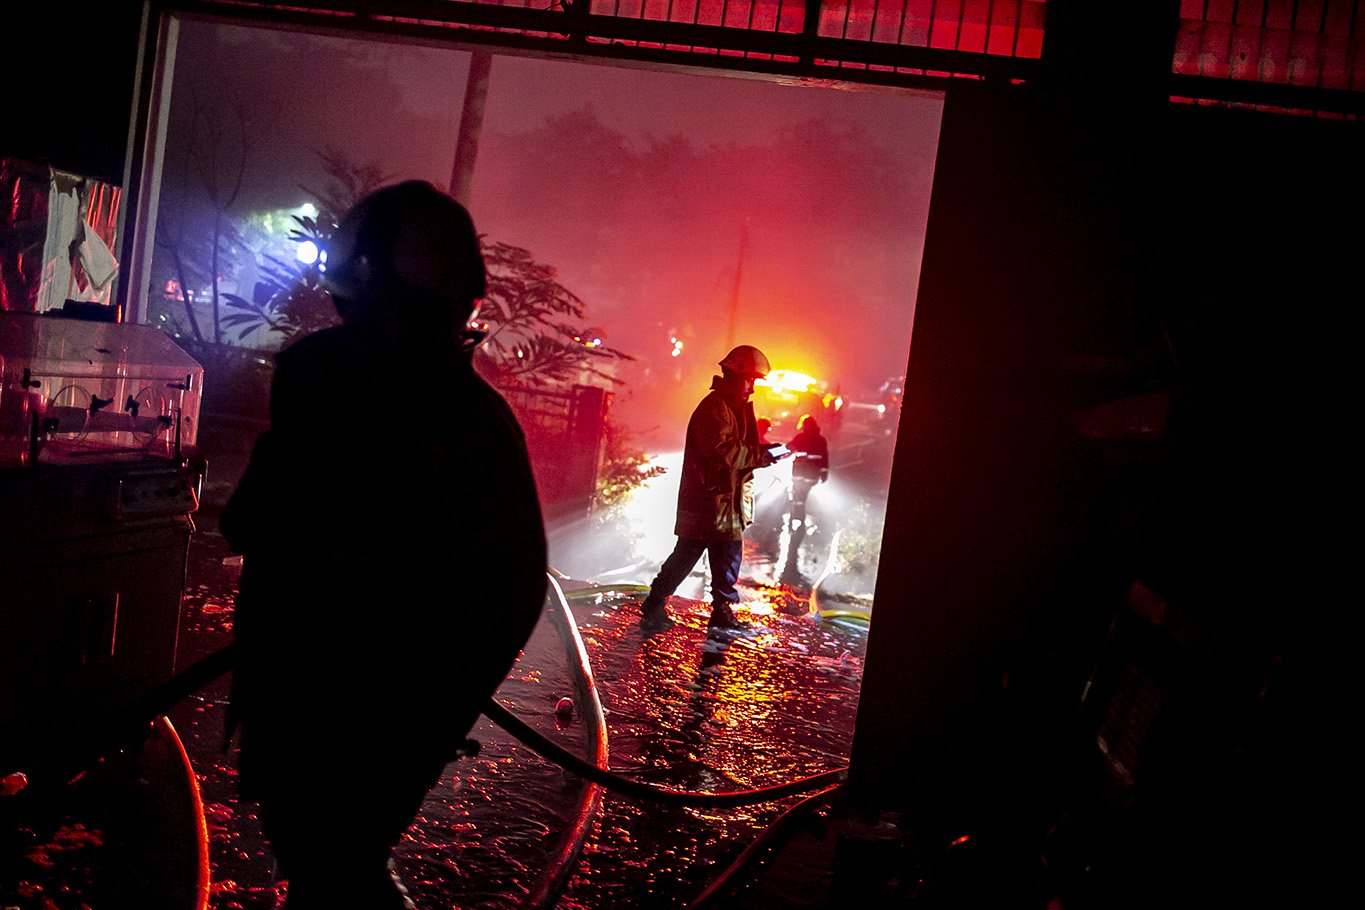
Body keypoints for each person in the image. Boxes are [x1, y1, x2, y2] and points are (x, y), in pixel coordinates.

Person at [219, 181, 547, 910]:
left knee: (329, 863)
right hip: (409, 705)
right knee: (343, 859)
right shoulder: (480, 420)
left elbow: (252, 521)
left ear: (357, 277)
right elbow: (508, 593)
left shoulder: (324, 373)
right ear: (464, 296)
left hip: (313, 691)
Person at [638, 344, 783, 632]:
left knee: (718, 556)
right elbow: (726, 452)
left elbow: (737, 450)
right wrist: (762, 456)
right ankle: (661, 604)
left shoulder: (730, 408)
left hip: (721, 503)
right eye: (749, 380)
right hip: (710, 503)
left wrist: (764, 451)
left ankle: (693, 608)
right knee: (698, 554)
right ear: (732, 374)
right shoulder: (715, 409)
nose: (752, 388)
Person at [781, 413, 830, 585]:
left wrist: (773, 454)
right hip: (811, 477)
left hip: (800, 475)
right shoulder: (821, 439)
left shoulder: (800, 437)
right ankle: (798, 520)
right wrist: (824, 474)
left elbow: (788, 449)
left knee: (798, 500)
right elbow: (824, 458)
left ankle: (797, 521)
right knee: (801, 499)